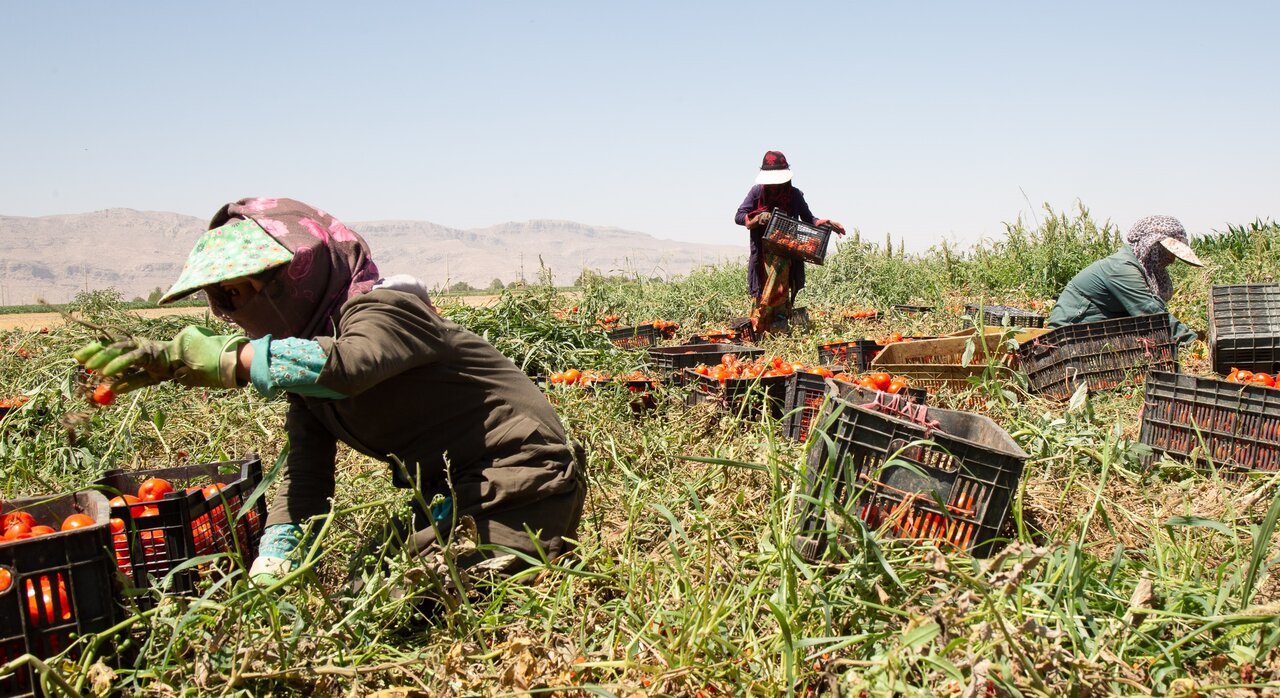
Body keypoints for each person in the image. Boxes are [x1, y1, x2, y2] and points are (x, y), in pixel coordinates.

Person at [74, 197, 586, 586]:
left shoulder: (387, 311)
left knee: (431, 603)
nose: (224, 313)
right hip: (450, 496)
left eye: (233, 293)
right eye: (214, 300)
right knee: (370, 590)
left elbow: (350, 365)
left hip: (520, 481)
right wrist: (272, 561)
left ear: (294, 274)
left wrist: (225, 360)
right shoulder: (305, 373)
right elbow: (305, 476)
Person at [734, 151, 844, 334]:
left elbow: (809, 218)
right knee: (763, 292)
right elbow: (739, 216)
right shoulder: (757, 192)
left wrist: (825, 222)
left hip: (786, 254)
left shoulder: (793, 194)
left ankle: (780, 332)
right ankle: (759, 331)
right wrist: (758, 218)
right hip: (763, 254)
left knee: (782, 291)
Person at [1048, 215, 1203, 344]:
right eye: (1169, 252)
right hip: (1069, 331)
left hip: (1095, 331)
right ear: (1154, 247)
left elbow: (1155, 309)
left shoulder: (1139, 268)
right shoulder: (1121, 268)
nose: (1172, 260)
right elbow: (1149, 312)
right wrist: (1191, 341)